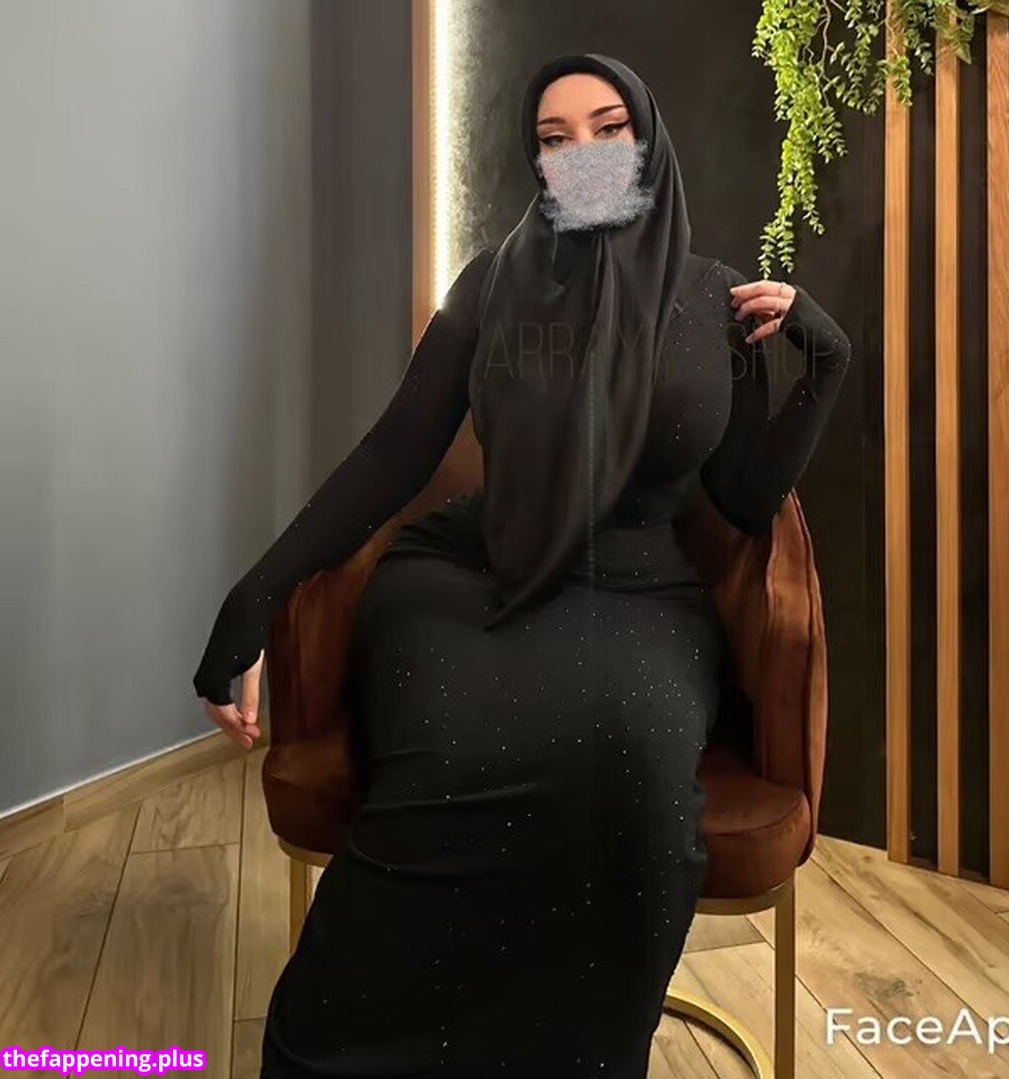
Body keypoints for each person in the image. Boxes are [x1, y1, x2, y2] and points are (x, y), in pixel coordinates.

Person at [193, 52, 850, 1079]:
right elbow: (393, 456)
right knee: (453, 750)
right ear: (535, 164)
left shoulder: (713, 297)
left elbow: (740, 500)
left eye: (607, 128)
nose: (582, 153)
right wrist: (252, 596)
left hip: (642, 594)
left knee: (633, 770)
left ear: (649, 141)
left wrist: (824, 364)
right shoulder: (492, 285)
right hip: (468, 577)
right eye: (553, 139)